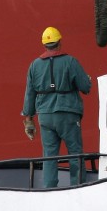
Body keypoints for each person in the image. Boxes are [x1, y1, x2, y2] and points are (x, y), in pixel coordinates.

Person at [21, 26, 92, 188]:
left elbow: (29, 94)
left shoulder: (34, 65)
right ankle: (78, 188)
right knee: (75, 154)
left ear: (44, 45)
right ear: (59, 42)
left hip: (45, 116)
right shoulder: (71, 61)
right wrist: (87, 80)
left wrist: (29, 120)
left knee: (49, 156)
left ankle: (49, 189)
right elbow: (85, 87)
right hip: (68, 114)